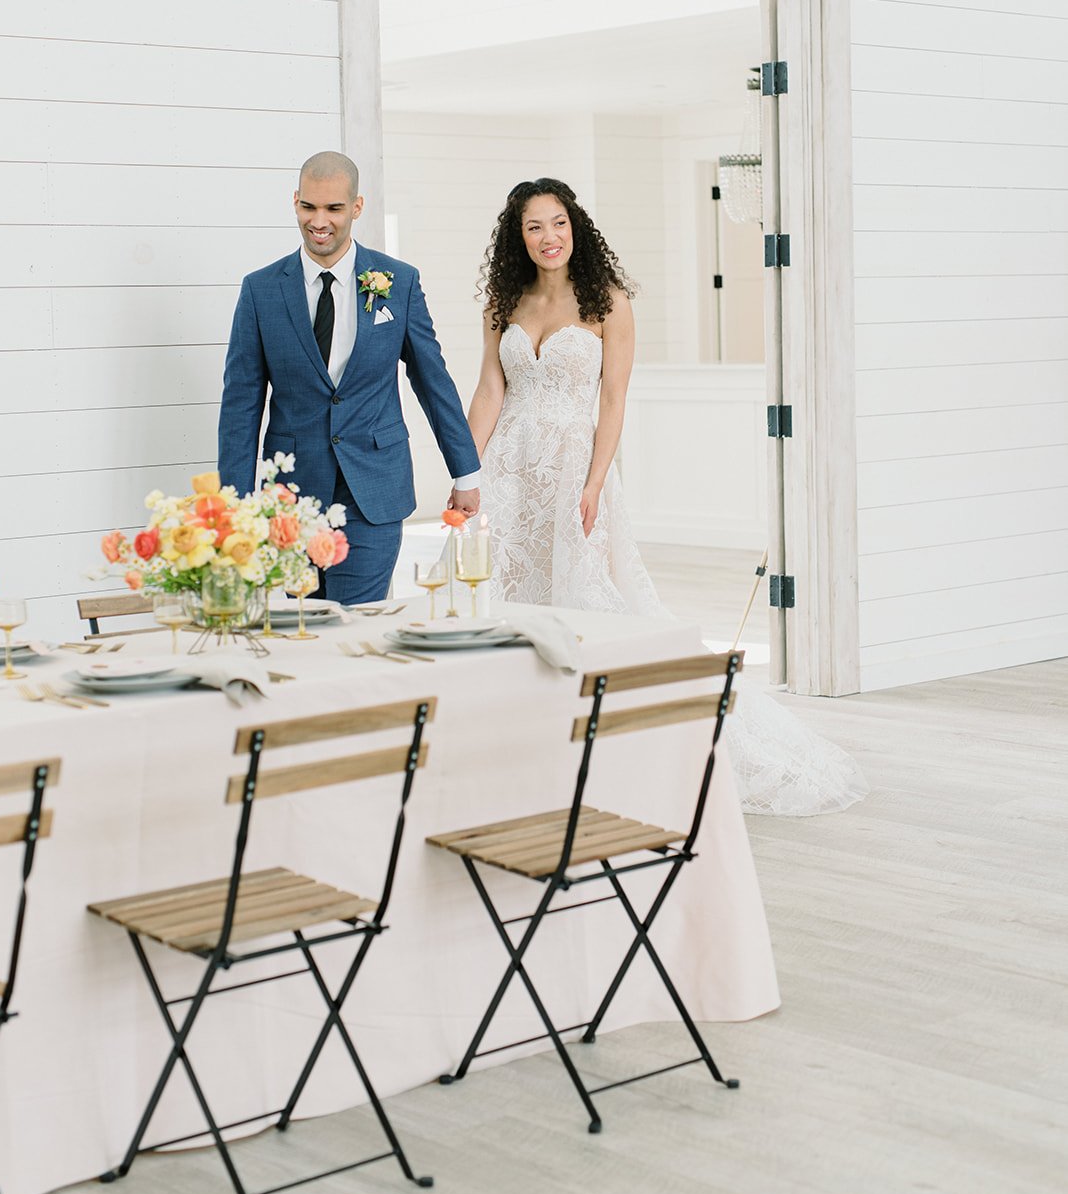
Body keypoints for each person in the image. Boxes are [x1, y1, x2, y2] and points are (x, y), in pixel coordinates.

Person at [467, 177, 867, 817]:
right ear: (518, 237)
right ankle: (535, 749)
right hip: (509, 474)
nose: (550, 237)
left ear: (577, 227)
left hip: (575, 470)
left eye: (560, 223)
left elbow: (613, 398)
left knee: (594, 605)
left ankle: (627, 743)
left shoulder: (607, 301)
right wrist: (467, 474)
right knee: (514, 603)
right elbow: (490, 390)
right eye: (535, 226)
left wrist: (595, 481)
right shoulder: (502, 301)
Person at [218, 151, 480, 605]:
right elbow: (241, 404)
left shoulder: (398, 281)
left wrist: (465, 472)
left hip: (374, 488)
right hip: (292, 497)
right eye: (309, 207)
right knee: (305, 624)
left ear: (356, 207)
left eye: (334, 208)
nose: (320, 221)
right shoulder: (260, 290)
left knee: (358, 620)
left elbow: (432, 380)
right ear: (295, 202)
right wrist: (234, 505)